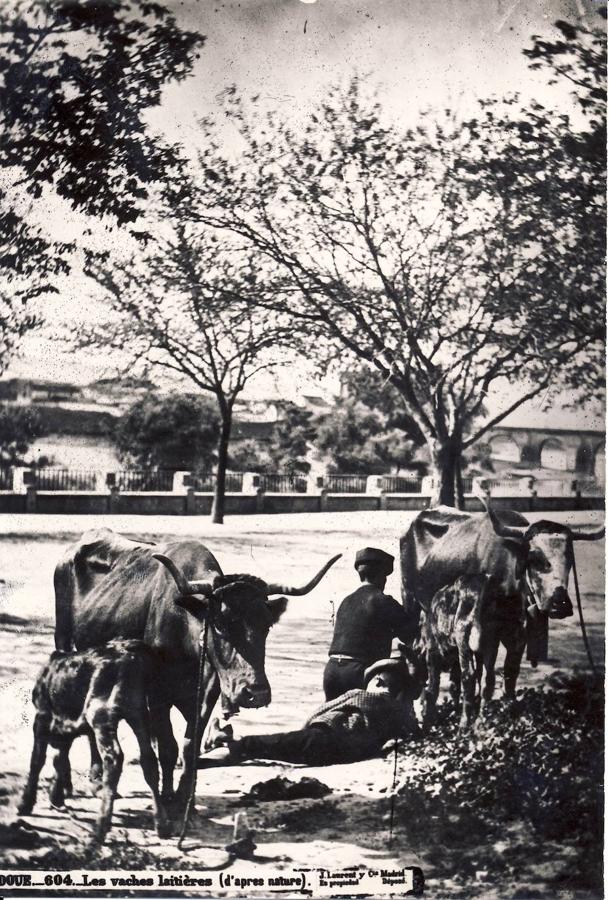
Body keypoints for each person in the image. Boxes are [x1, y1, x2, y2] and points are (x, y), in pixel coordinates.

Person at [198, 653, 420, 769]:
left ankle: (227, 745)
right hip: (348, 752)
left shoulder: (362, 695)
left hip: (326, 738)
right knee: (275, 749)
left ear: (379, 682)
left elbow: (327, 708)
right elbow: (413, 730)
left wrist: (306, 727)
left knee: (273, 744)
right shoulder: (396, 712)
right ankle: (230, 745)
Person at [323, 547, 419, 700]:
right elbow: (410, 633)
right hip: (358, 672)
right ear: (382, 576)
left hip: (332, 671)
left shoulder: (345, 601)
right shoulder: (383, 600)